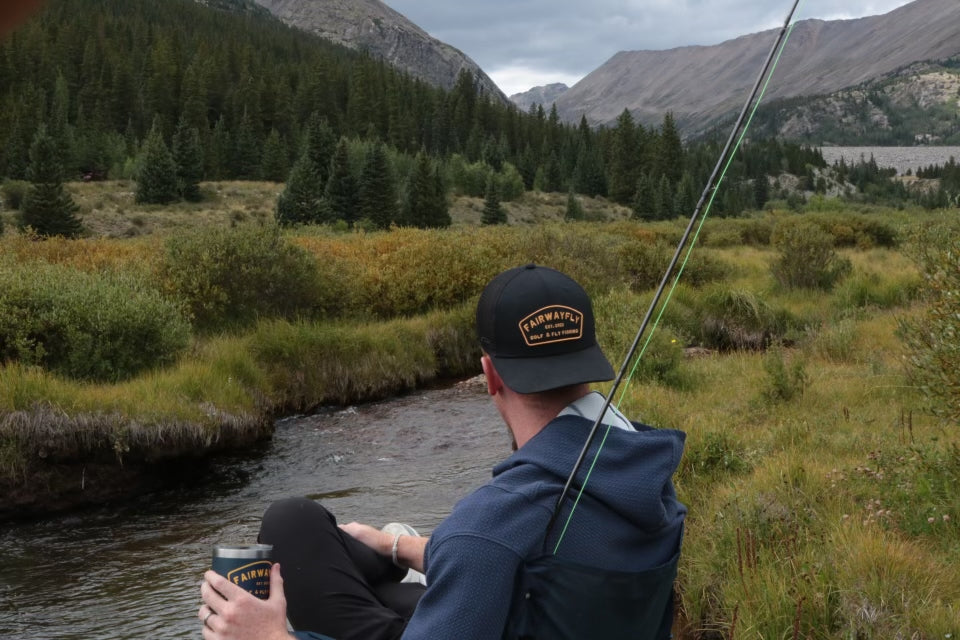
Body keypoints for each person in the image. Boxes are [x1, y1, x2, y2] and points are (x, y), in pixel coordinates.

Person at [199, 264, 687, 640]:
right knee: (301, 523)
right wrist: (396, 545)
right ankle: (390, 562)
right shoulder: (646, 469)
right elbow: (528, 567)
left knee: (288, 526)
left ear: (490, 373)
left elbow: (493, 547)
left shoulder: (491, 525)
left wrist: (269, 634)